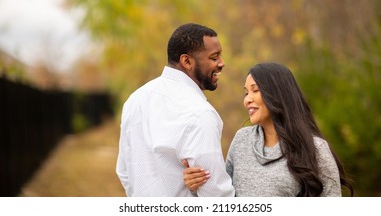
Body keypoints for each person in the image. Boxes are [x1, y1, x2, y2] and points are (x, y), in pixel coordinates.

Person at [183, 62, 353, 197]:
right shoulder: (242, 140)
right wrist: (197, 185)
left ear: (278, 94)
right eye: (246, 93)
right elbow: (225, 200)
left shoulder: (316, 149)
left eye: (255, 91)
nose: (247, 100)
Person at [116, 23, 235, 197]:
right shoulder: (200, 113)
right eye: (214, 57)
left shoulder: (135, 100)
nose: (222, 63)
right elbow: (216, 195)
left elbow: (124, 172)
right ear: (186, 61)